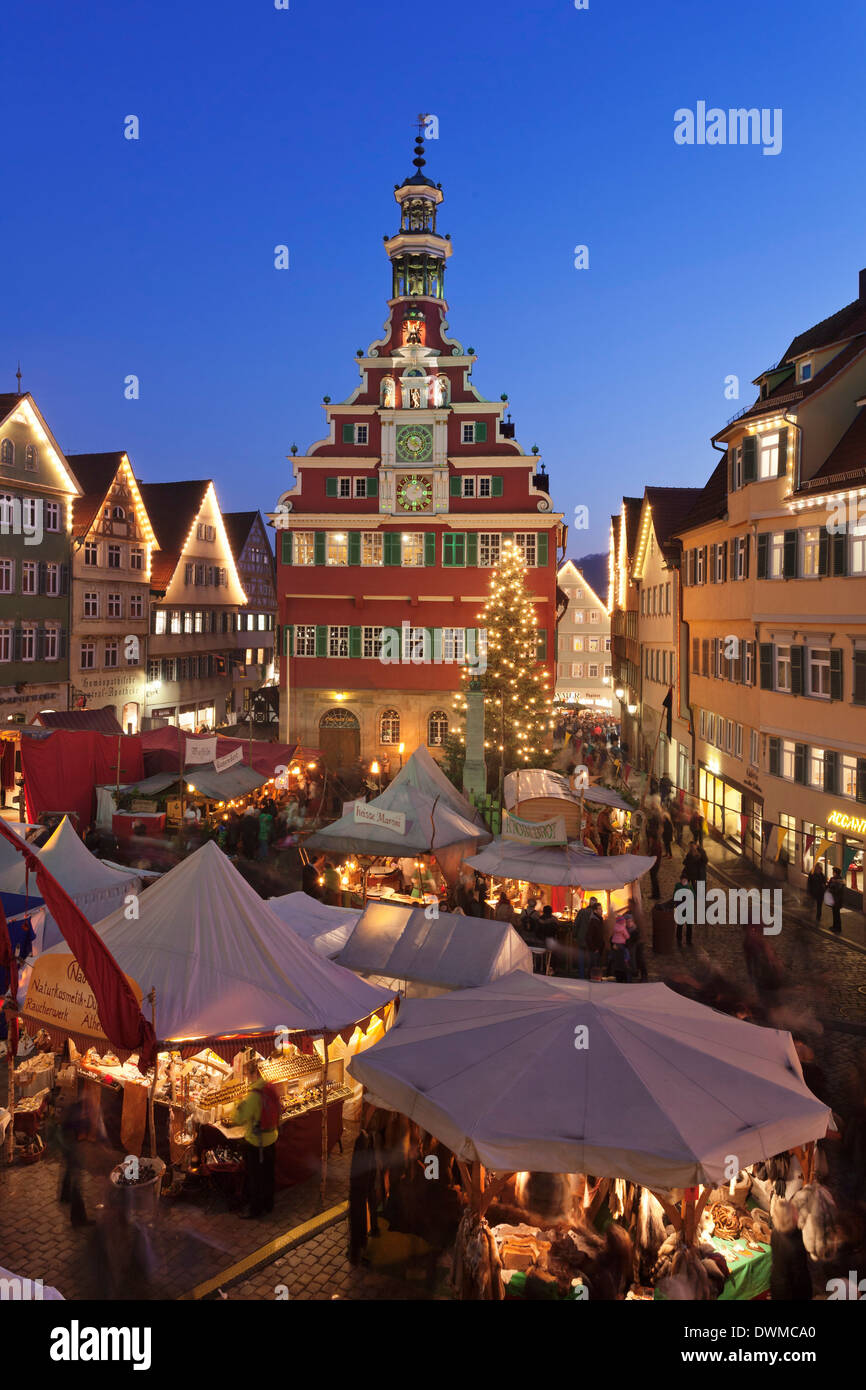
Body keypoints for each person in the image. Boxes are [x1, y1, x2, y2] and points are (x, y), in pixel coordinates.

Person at [231, 1078, 278, 1219]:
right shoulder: (270, 1088)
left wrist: (237, 1103)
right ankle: (269, 1205)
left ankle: (255, 1210)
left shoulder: (253, 1095)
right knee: (269, 1175)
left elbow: (239, 1118)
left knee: (255, 1178)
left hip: (256, 1143)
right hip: (272, 1139)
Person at [674, 872, 695, 948]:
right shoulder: (679, 886)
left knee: (687, 925)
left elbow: (693, 896)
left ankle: (686, 940)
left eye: (685, 879)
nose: (684, 881)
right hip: (683, 908)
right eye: (683, 879)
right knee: (682, 925)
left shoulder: (689, 886)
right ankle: (682, 940)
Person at [827, 867, 845, 933]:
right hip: (833, 899)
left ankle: (838, 928)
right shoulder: (833, 879)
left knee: (837, 914)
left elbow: (837, 890)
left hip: (837, 900)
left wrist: (830, 890)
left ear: (836, 873)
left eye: (833, 872)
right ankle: (834, 926)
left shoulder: (840, 880)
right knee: (834, 913)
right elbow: (829, 886)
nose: (832, 873)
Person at [647, 829, 663, 899]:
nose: (649, 839)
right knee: (654, 879)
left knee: (654, 879)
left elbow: (654, 856)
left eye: (650, 838)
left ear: (652, 838)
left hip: (654, 864)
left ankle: (656, 895)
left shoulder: (656, 845)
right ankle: (655, 894)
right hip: (654, 863)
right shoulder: (656, 844)